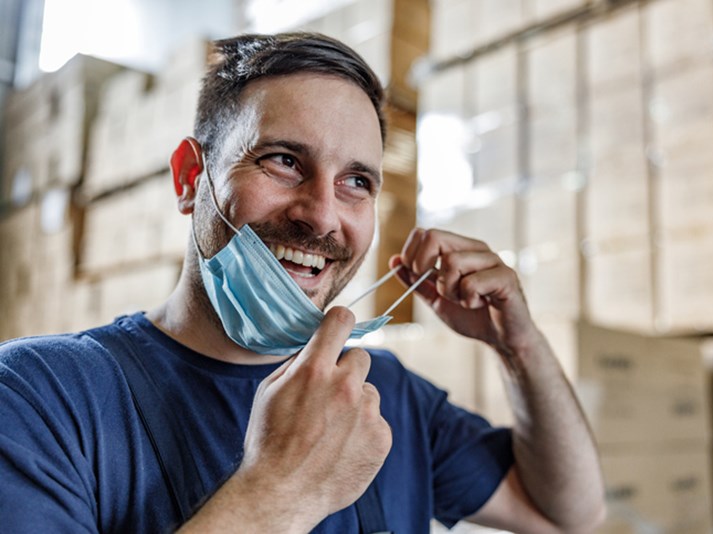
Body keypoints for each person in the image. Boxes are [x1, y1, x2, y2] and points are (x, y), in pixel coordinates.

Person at [0, 32, 605, 533]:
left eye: (356, 182)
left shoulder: (381, 395)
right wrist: (279, 492)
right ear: (190, 177)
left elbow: (568, 513)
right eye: (284, 161)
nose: (320, 214)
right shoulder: (39, 399)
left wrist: (518, 345)